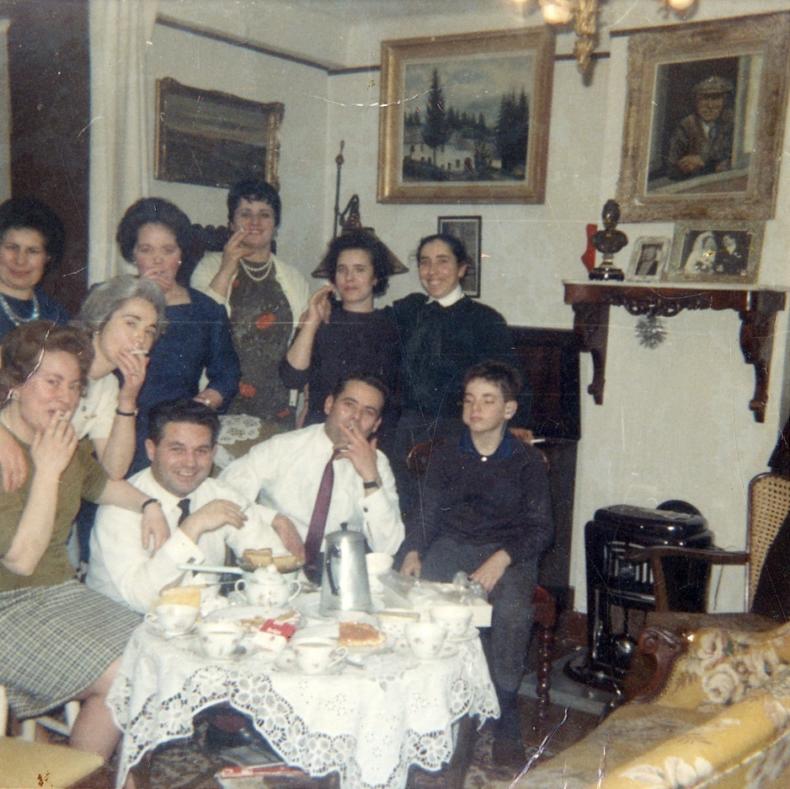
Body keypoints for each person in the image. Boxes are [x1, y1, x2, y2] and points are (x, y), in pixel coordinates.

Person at [0, 322, 168, 767]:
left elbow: (100, 484)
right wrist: (47, 472)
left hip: (60, 595)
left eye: (74, 386)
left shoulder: (59, 438)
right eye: (52, 382)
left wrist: (148, 504)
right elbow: (21, 560)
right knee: (123, 673)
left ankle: (79, 770)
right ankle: (76, 775)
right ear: (16, 382)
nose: (66, 398)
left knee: (156, 647)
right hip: (7, 608)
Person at [399, 361, 553, 765]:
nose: (475, 409)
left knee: (513, 612)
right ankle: (430, 709)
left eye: (487, 401)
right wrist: (413, 550)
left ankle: (506, 713)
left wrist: (501, 559)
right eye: (469, 400)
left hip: (510, 551)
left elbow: (541, 529)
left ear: (509, 410)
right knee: (422, 602)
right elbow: (427, 513)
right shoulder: (447, 453)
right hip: (455, 544)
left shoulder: (527, 461)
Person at [87, 399, 283, 613]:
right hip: (123, 621)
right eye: (177, 449)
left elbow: (273, 558)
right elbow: (142, 599)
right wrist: (192, 527)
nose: (190, 462)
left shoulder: (220, 495)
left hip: (207, 620)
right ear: (151, 450)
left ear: (213, 453)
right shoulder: (121, 506)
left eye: (201, 451)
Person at [390, 232, 526, 520]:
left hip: (460, 433)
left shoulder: (485, 320)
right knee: (405, 514)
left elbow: (508, 380)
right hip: (407, 432)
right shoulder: (408, 313)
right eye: (424, 262)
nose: (432, 271)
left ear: (462, 268)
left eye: (442, 261)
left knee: (451, 517)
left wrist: (515, 427)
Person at [220, 374, 404, 579]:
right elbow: (221, 494)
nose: (356, 417)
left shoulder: (378, 464)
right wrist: (275, 519)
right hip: (278, 565)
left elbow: (388, 546)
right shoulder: (283, 447)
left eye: (368, 412)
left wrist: (370, 478)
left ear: (376, 424)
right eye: (349, 404)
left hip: (341, 573)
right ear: (329, 404)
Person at [117, 197, 240, 473]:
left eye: (168, 250)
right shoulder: (111, 300)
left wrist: (205, 402)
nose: (157, 260)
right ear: (133, 254)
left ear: (181, 254)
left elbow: (227, 373)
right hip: (118, 424)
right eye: (146, 250)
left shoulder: (206, 310)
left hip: (177, 431)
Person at [190, 179, 308, 432]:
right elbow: (201, 326)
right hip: (221, 403)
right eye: (245, 214)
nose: (255, 222)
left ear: (275, 225)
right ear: (232, 223)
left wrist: (305, 402)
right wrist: (227, 268)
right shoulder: (209, 267)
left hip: (277, 407)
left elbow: (304, 345)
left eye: (264, 214)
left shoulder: (294, 279)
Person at [279, 230, 400, 447]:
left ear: (375, 277)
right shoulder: (320, 319)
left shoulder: (391, 326)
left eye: (359, 270)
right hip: (319, 433)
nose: (349, 278)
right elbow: (292, 378)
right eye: (342, 269)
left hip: (370, 439)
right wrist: (311, 322)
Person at [0, 196, 69, 339]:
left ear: (48, 257)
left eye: (33, 251)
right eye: (12, 247)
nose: (20, 260)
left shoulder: (56, 314)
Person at [667, 75, 734, 181]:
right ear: (695, 101)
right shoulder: (687, 126)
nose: (710, 105)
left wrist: (704, 160)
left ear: (724, 101)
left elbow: (736, 157)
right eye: (704, 98)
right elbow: (672, 168)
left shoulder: (731, 123)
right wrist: (684, 166)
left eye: (716, 98)